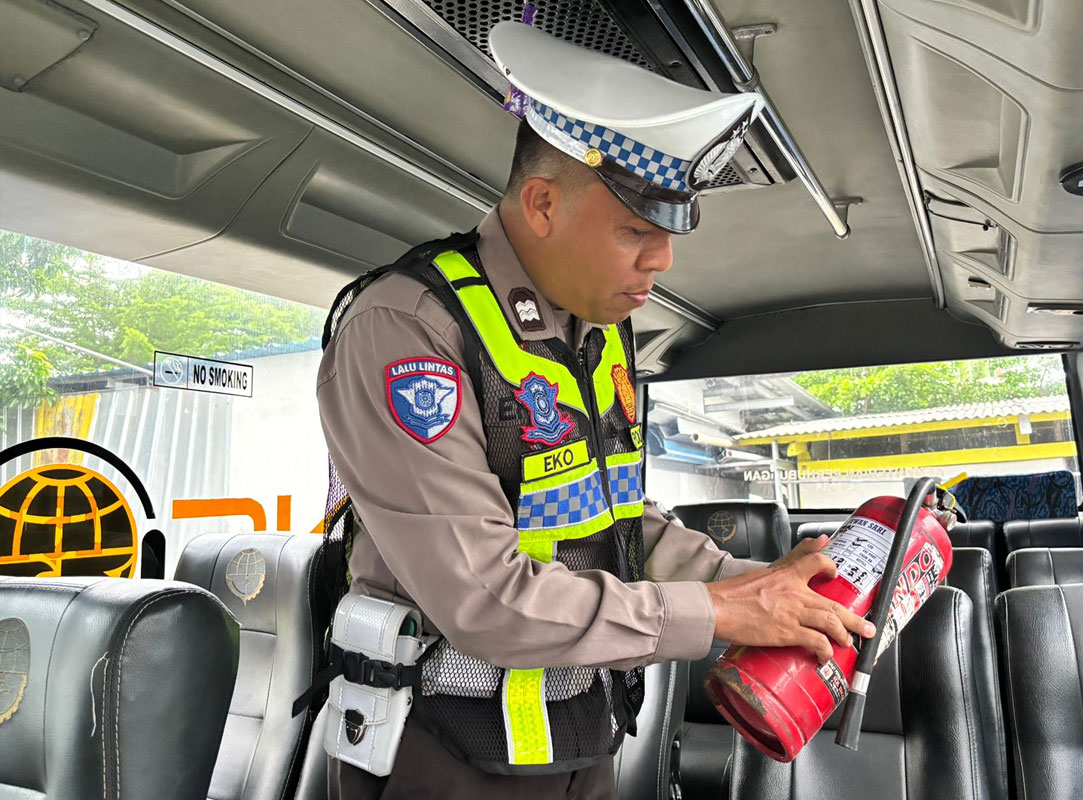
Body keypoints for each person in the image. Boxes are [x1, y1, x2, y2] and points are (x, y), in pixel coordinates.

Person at [316, 20, 875, 800]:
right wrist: (717, 612)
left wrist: (763, 585)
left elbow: (611, 519)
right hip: (444, 750)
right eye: (638, 230)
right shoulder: (409, 330)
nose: (664, 259)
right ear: (543, 203)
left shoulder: (600, 334)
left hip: (583, 740)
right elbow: (483, 598)